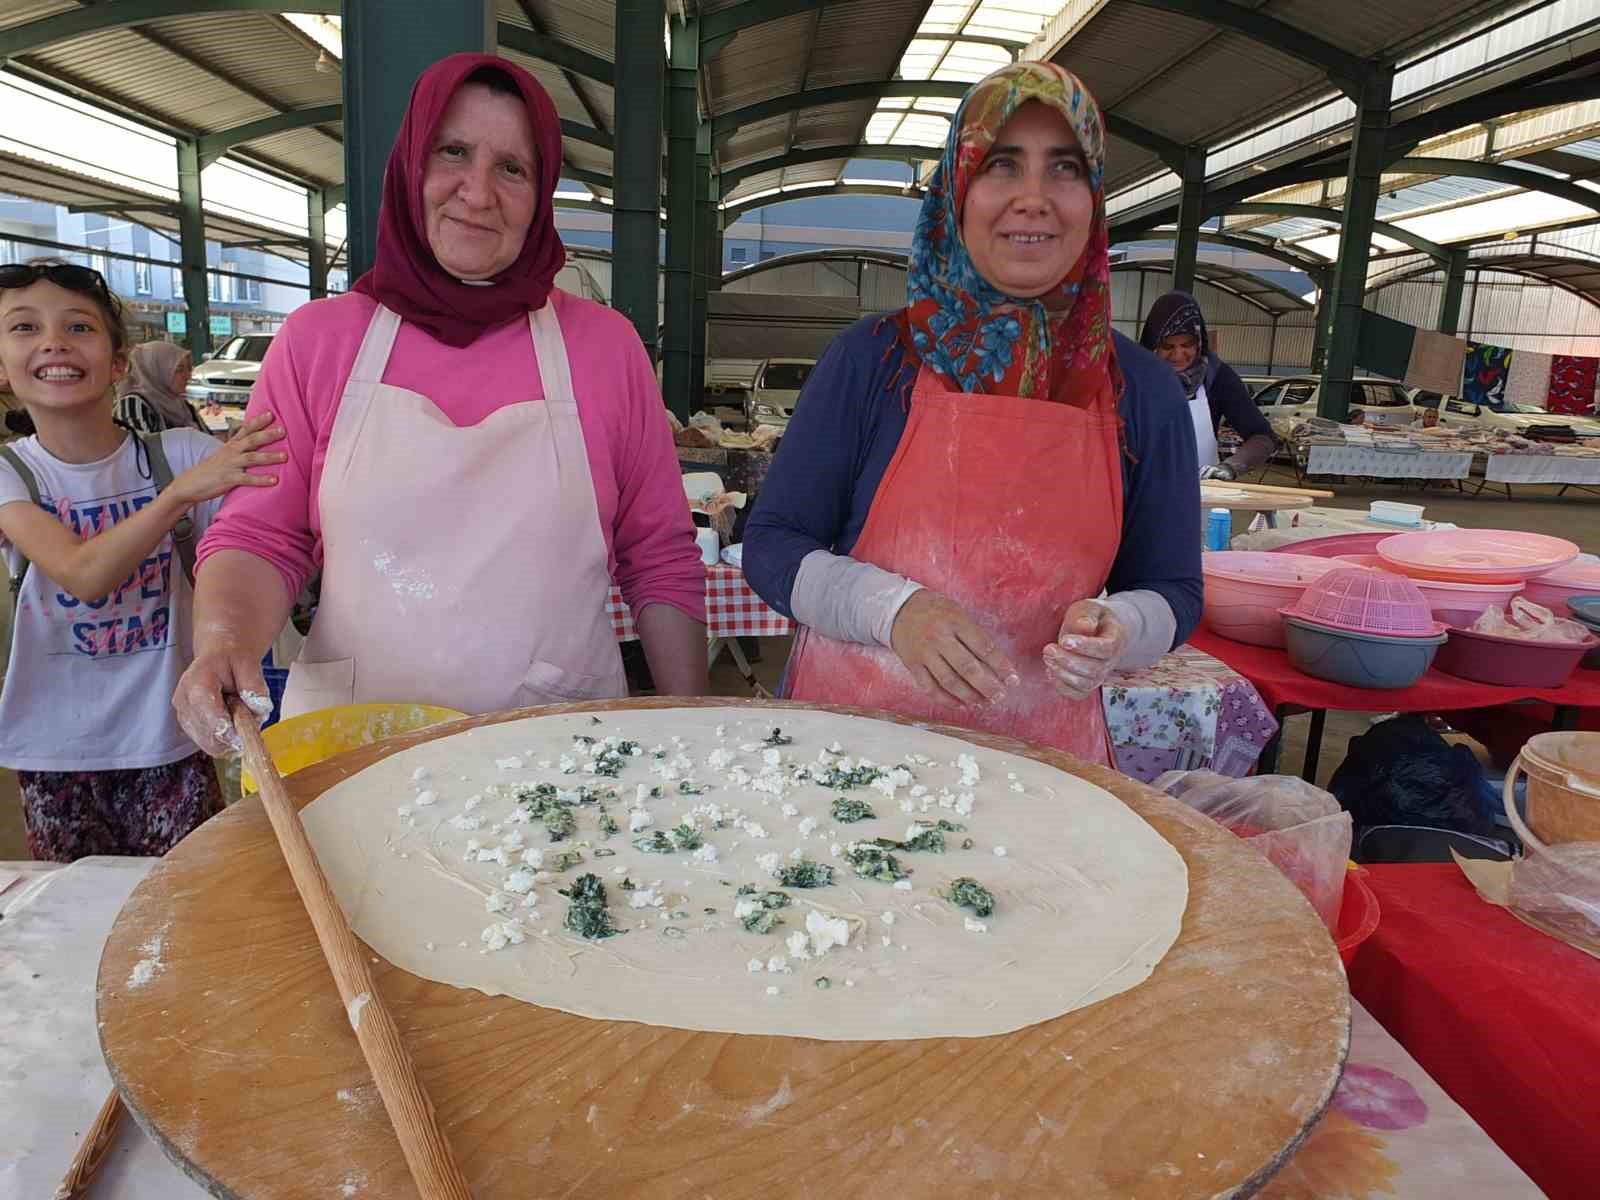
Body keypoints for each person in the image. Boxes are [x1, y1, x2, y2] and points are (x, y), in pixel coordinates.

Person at [174, 54, 706, 755]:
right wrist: (222, 640)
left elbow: (658, 558)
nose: (477, 193)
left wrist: (698, 728)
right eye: (452, 152)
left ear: (541, 191)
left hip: (561, 751)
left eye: (512, 168)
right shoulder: (318, 343)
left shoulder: (605, 349)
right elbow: (261, 537)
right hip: (355, 749)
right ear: (410, 166)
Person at [741, 62, 1203, 764]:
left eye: (1065, 169)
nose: (1033, 198)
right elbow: (772, 545)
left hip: (1043, 769)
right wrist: (892, 612)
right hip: (846, 757)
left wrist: (1122, 626)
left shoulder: (1143, 390)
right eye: (1001, 166)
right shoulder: (872, 360)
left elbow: (1174, 588)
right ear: (957, 191)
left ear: (1096, 197)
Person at [0, 260, 286, 860]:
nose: (53, 341)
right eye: (24, 328)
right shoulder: (11, 474)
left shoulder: (182, 451)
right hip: (57, 751)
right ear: (2, 369)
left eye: (79, 327)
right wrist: (179, 494)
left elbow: (273, 508)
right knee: (82, 920)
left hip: (169, 740)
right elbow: (83, 575)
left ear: (120, 362)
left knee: (184, 904)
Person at [1140, 290, 1277, 482]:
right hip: (1140, 493)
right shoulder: (1134, 377)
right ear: (1152, 345)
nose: (1178, 355)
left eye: (1187, 345)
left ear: (1199, 342)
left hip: (1201, 495)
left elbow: (1263, 437)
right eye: (1168, 346)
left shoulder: (1217, 377)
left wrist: (1231, 466)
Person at [113, 340, 208, 434]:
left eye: (188, 368)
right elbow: (141, 446)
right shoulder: (133, 406)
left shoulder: (183, 406)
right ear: (155, 371)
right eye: (179, 369)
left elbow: (209, 439)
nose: (188, 376)